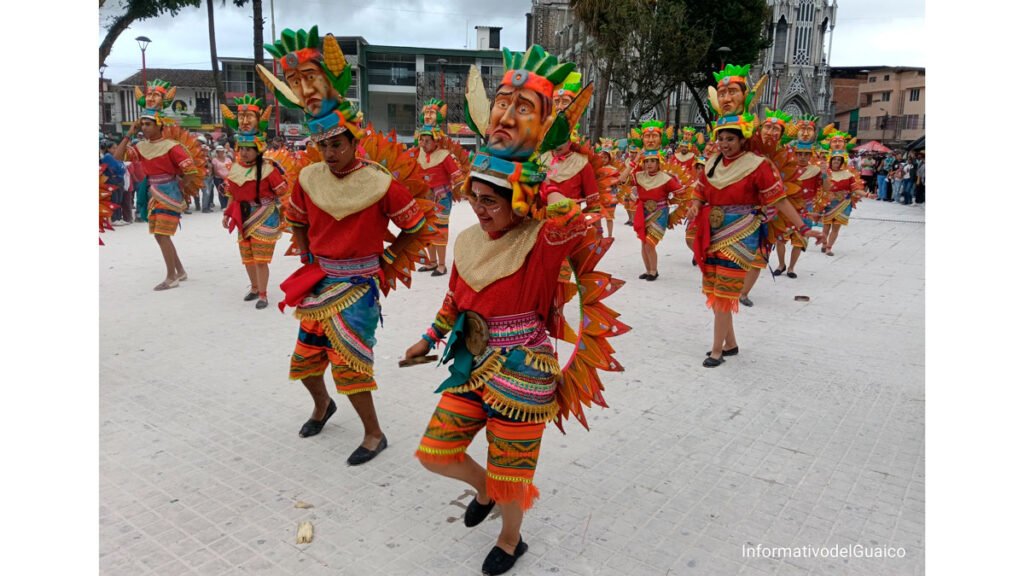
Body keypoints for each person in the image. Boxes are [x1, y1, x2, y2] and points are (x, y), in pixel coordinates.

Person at [403, 44, 627, 576]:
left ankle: (510, 540)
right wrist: (429, 339)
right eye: (475, 198)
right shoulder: (467, 240)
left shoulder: (540, 242)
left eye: (492, 201)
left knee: (512, 475)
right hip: (469, 362)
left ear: (519, 202)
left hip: (523, 373)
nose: (480, 210)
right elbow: (455, 299)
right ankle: (483, 492)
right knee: (434, 453)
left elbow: (575, 224)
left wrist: (556, 199)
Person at [258, 25, 434, 463]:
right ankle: (322, 406)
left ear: (354, 140)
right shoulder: (308, 177)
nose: (331, 152)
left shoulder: (380, 181)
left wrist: (388, 258)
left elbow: (416, 225)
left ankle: (374, 434)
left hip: (357, 286)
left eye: (338, 144)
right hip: (319, 284)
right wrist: (304, 251)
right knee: (303, 362)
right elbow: (296, 219)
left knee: (351, 367)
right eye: (323, 146)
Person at [687, 63, 821, 367]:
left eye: (731, 139)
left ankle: (717, 350)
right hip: (713, 230)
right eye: (721, 139)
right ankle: (731, 343)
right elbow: (700, 189)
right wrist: (696, 205)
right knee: (715, 289)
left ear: (743, 139)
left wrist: (803, 226)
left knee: (723, 292)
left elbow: (781, 200)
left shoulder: (758, 165)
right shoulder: (712, 163)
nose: (725, 144)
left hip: (743, 232)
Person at [112, 79, 204, 290]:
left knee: (162, 234)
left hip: (169, 193)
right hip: (154, 193)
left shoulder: (172, 147)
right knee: (159, 235)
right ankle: (179, 271)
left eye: (148, 124)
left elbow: (191, 171)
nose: (144, 127)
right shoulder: (141, 145)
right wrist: (129, 132)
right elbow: (118, 157)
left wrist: (180, 188)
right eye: (142, 124)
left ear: (159, 125)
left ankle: (171, 276)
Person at [221, 94, 287, 309]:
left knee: (260, 258)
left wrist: (286, 213)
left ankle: (263, 294)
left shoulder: (268, 169)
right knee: (247, 257)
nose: (244, 152)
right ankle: (253, 287)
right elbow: (233, 193)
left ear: (257, 149)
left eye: (249, 149)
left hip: (264, 214)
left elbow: (282, 192)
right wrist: (227, 213)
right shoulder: (236, 168)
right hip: (243, 214)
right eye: (241, 148)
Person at [409, 100, 465, 277]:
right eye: (422, 140)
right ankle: (431, 263)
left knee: (440, 230)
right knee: (426, 231)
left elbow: (457, 176)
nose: (424, 143)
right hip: (424, 199)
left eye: (427, 140)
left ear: (436, 142)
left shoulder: (444, 156)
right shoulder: (416, 155)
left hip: (441, 199)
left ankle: (441, 265)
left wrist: (464, 189)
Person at [774, 140, 824, 278]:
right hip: (787, 208)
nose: (802, 157)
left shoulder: (816, 170)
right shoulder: (787, 169)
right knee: (780, 239)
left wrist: (825, 173)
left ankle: (791, 268)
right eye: (799, 154)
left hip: (805, 209)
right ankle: (781, 264)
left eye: (806, 154)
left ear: (810, 156)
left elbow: (825, 188)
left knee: (799, 241)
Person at [633, 149, 683, 280]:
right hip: (643, 213)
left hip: (659, 213)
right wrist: (634, 161)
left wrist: (673, 203)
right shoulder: (639, 176)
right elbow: (621, 179)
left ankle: (654, 271)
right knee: (643, 243)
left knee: (650, 243)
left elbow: (681, 192)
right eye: (646, 161)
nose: (649, 164)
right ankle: (648, 270)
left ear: (658, 163)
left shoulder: (665, 178)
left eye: (653, 161)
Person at [820, 150, 866, 256]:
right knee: (826, 226)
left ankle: (828, 248)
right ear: (830, 161)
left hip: (843, 204)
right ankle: (823, 243)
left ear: (842, 162)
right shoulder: (824, 173)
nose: (836, 161)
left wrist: (867, 195)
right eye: (834, 159)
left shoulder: (848, 174)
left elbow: (855, 188)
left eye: (839, 160)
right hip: (828, 203)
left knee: (836, 227)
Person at [100, 141, 130, 224]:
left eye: (116, 148)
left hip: (119, 180)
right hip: (112, 181)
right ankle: (113, 219)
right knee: (114, 200)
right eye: (113, 148)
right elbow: (116, 167)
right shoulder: (108, 156)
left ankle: (118, 218)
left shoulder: (116, 156)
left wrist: (121, 168)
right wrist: (120, 168)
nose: (116, 149)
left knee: (119, 200)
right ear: (108, 149)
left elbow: (122, 168)